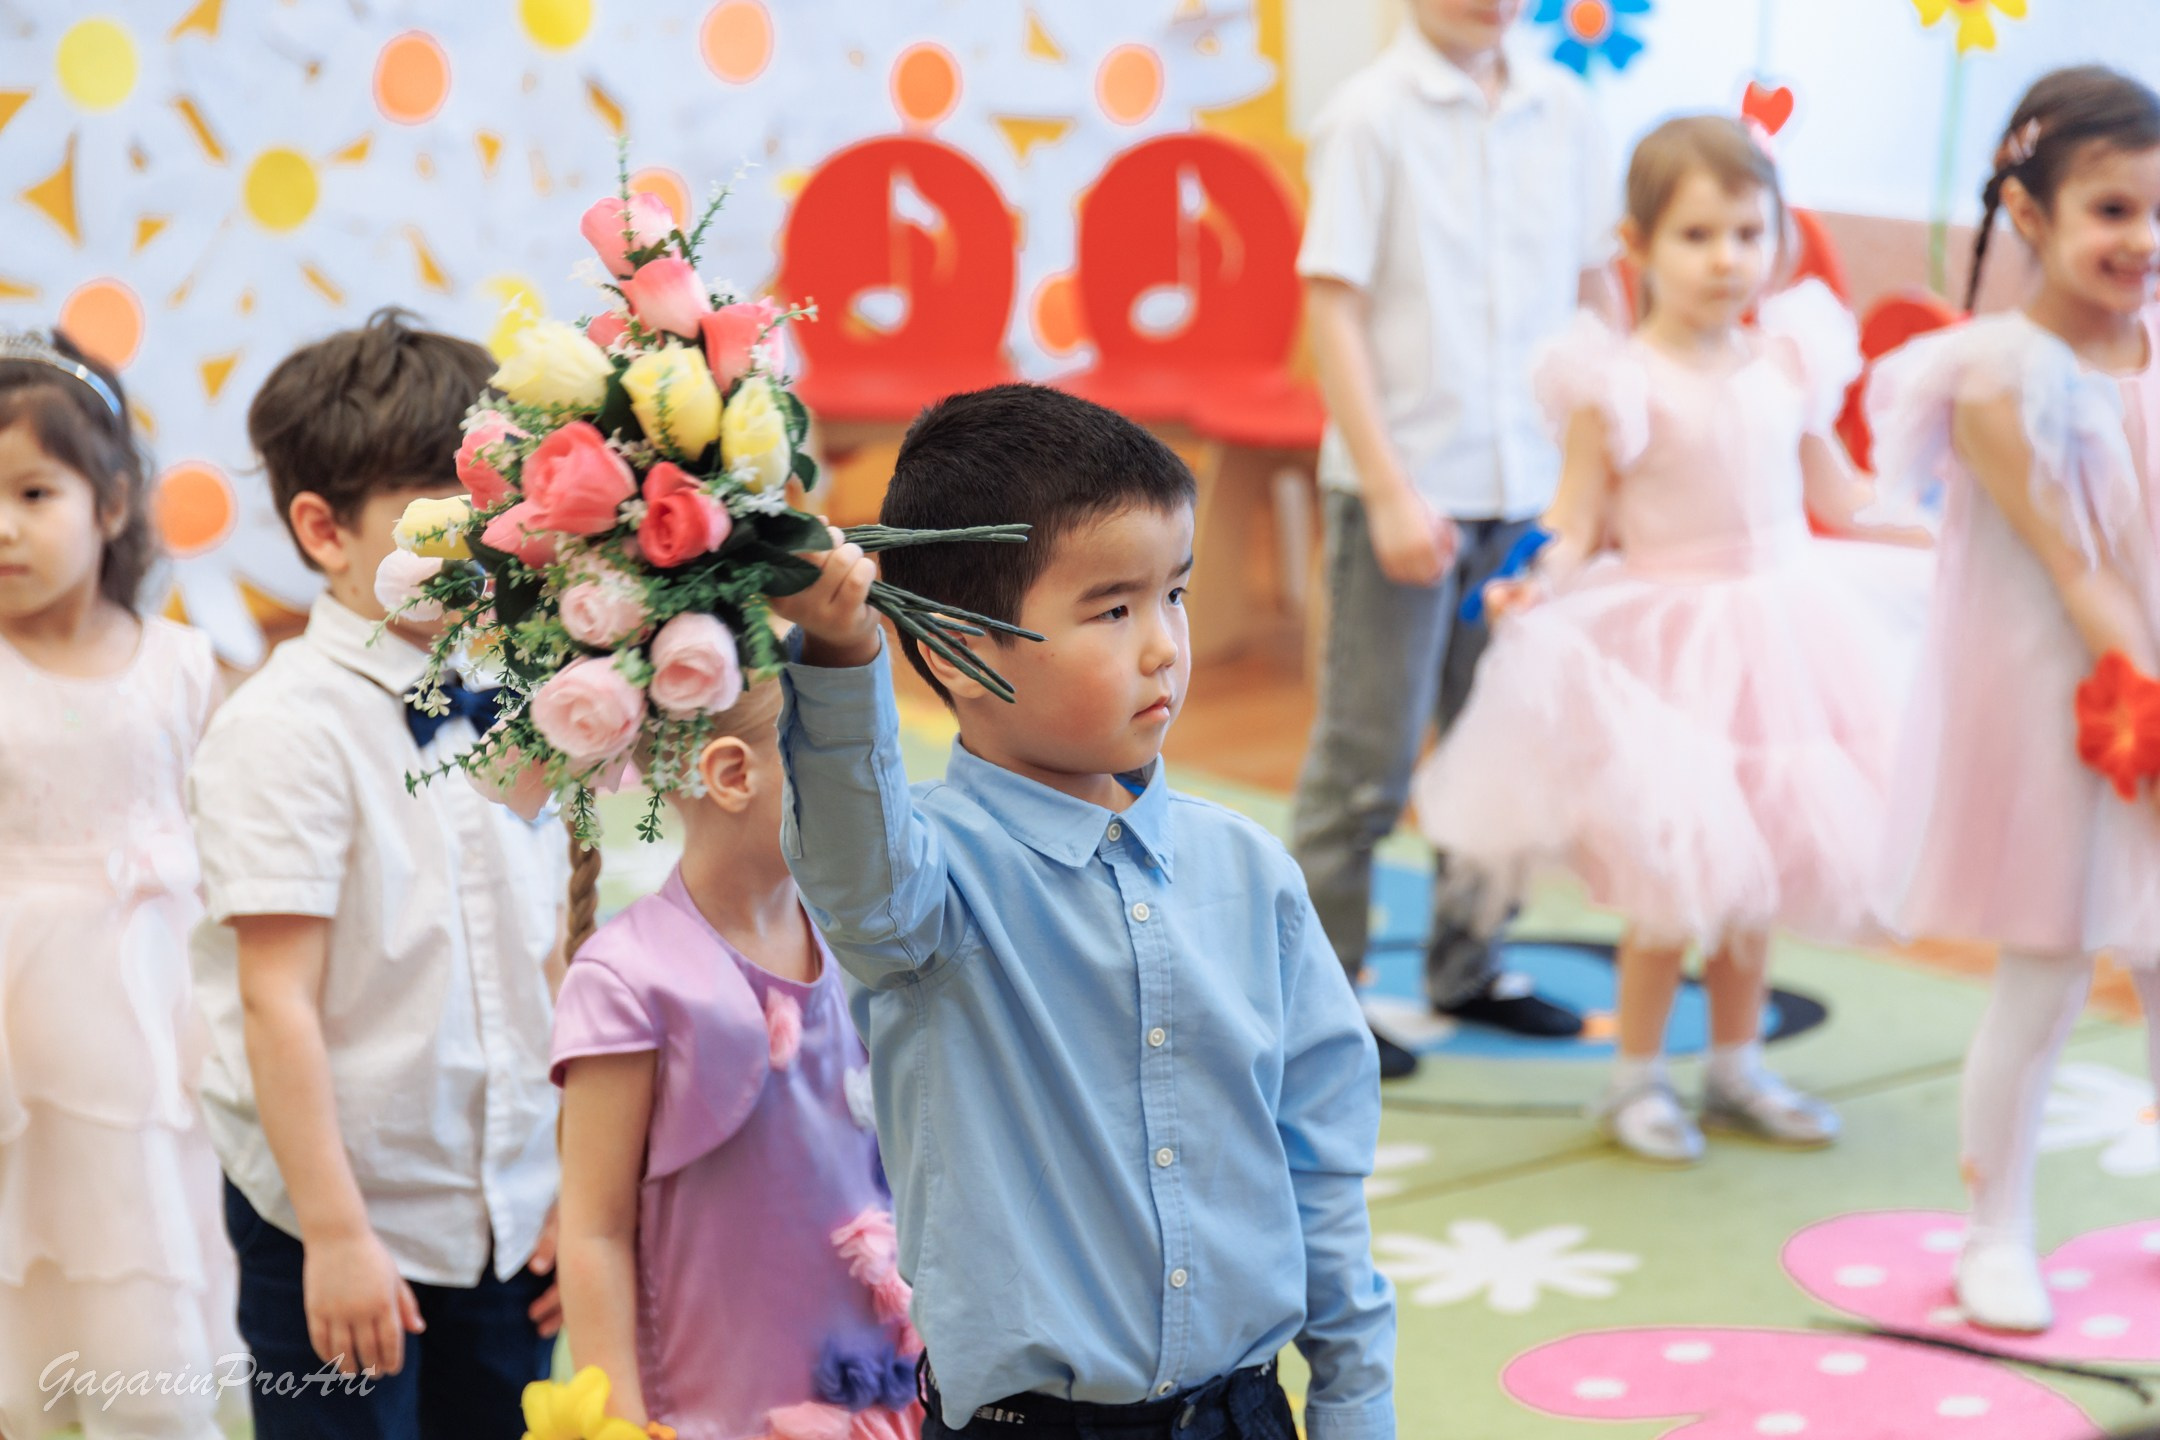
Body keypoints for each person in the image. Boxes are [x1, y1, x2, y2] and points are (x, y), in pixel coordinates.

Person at [769, 384, 1394, 1440]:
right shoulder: (929, 888)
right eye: (1113, 608)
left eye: (1176, 595)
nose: (1163, 647)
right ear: (957, 650)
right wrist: (842, 651)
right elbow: (852, 863)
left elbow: (1320, 1165)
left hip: (1246, 1413)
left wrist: (1353, 1401)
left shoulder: (1250, 873)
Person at [1412, 116, 1931, 1166]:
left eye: (1749, 231)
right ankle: (1636, 1080)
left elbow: (1837, 489)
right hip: (1670, 649)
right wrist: (1534, 579)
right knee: (1669, 886)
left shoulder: (1791, 358)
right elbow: (1574, 519)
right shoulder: (1615, 384)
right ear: (1637, 245)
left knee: (1762, 872)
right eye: (1698, 235)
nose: (1727, 258)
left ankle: (1738, 1065)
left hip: (1790, 632)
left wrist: (1936, 523)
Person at [187, 310, 566, 1438]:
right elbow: (277, 1002)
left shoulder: (522, 698)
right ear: (324, 528)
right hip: (337, 1224)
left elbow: (545, 947)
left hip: (502, 1210)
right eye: (439, 518)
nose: (485, 544)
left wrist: (561, 1189)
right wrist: (337, 1233)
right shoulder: (285, 727)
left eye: (498, 511)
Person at [1870, 66, 2160, 1335]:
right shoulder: (1997, 379)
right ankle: (1997, 1231)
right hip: (2065, 707)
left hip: (2146, 687)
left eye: (2158, 211)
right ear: (2032, 216)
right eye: (2111, 210)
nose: (2141, 240)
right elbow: (2082, 571)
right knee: (2043, 973)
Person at [1291, 0, 1619, 1075]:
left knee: (1504, 747)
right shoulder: (1368, 116)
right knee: (1366, 764)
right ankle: (1321, 997)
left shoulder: (1566, 107)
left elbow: (1588, 293)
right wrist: (1388, 488)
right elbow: (1332, 306)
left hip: (1529, 493)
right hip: (1408, 488)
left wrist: (1598, 470)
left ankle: (1472, 966)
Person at [550, 679, 918, 1440]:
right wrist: (618, 1419)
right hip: (716, 1409)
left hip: (869, 1383)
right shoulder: (631, 979)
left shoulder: (852, 940)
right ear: (732, 775)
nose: (877, 789)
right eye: (842, 762)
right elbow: (594, 1229)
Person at [0, 330, 238, 1439]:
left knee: (152, 1230)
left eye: (33, 491)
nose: (4, 526)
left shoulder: (185, 667)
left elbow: (246, 830)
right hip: (18, 1030)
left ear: (111, 502)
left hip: (163, 1018)